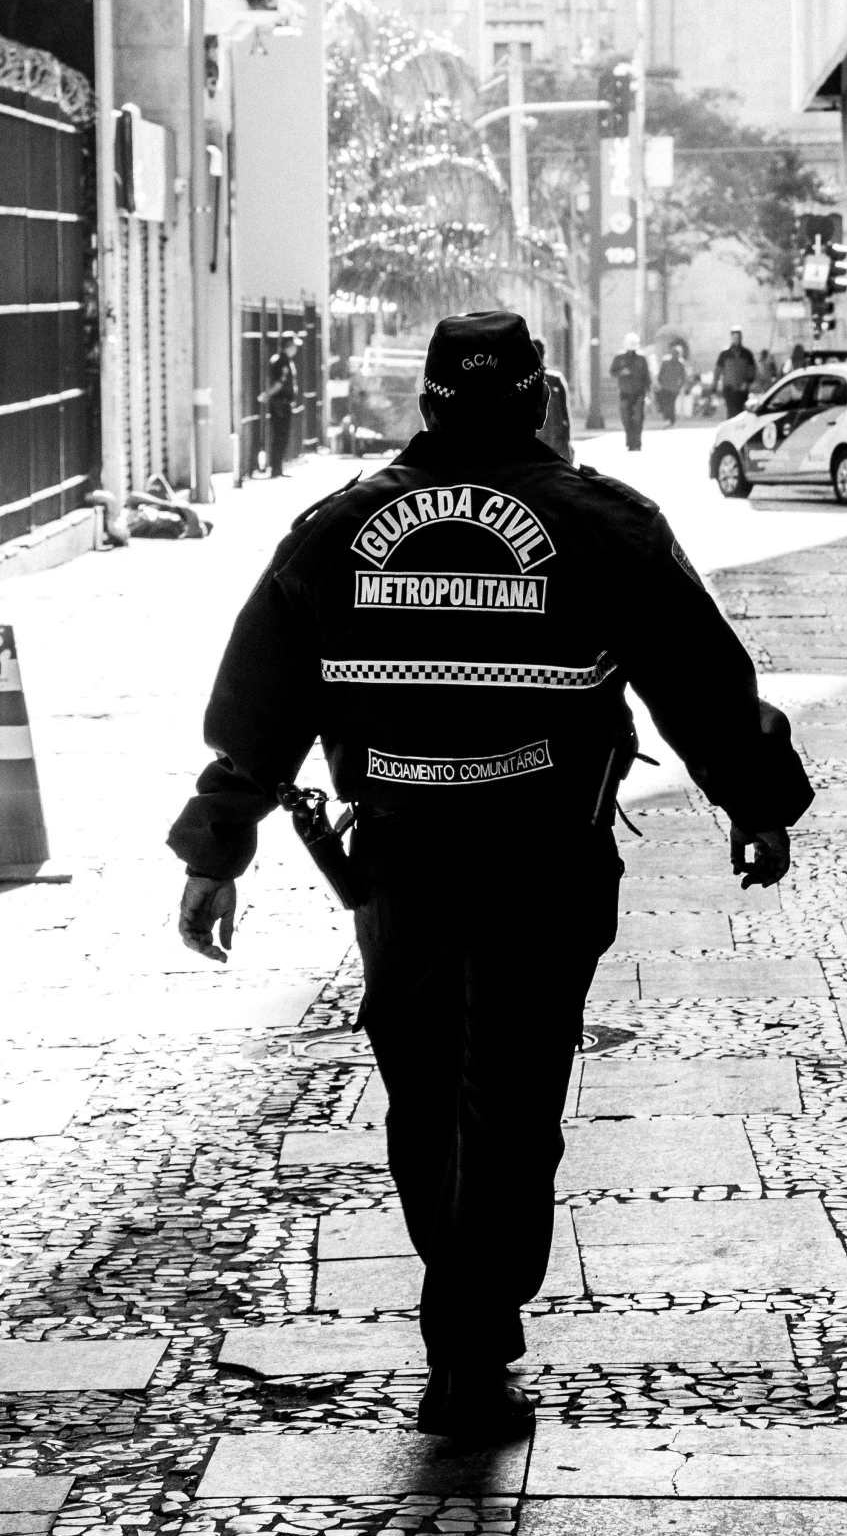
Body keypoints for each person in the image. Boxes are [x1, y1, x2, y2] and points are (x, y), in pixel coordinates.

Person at [167, 310, 813, 1444]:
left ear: (426, 404)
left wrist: (217, 853)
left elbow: (258, 709)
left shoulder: (337, 527)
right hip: (542, 859)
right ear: (539, 396)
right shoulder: (602, 521)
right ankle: (474, 1345)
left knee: (424, 1100)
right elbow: (698, 682)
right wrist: (756, 803)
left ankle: (456, 1333)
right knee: (508, 1102)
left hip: (400, 864)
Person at [533, 335, 572, 463]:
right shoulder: (555, 379)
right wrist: (567, 439)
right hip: (555, 440)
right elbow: (565, 415)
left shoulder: (520, 381)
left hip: (540, 441)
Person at [610, 331, 651, 451]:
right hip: (625, 392)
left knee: (638, 419)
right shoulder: (619, 358)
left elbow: (646, 376)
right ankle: (629, 442)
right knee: (626, 418)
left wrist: (648, 393)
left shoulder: (641, 358)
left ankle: (637, 443)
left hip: (639, 393)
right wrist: (622, 372)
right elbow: (613, 372)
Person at [262, 346, 298, 478]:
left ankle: (277, 467)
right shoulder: (282, 361)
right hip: (280, 404)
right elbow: (280, 382)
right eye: (294, 346)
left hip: (282, 403)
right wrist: (268, 394)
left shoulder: (284, 360)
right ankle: (275, 468)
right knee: (280, 436)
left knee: (281, 436)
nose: (296, 349)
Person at [714, 328, 759, 420]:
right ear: (731, 338)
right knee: (731, 412)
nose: (737, 339)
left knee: (741, 413)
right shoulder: (724, 354)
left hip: (742, 389)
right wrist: (714, 385)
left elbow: (752, 370)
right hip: (729, 388)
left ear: (741, 338)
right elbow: (717, 370)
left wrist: (747, 382)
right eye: (734, 337)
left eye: (738, 337)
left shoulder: (747, 354)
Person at [655, 342, 688, 426]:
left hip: (674, 388)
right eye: (674, 353)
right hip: (665, 386)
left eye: (677, 353)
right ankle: (667, 419)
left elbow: (683, 376)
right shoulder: (665, 361)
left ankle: (670, 420)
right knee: (665, 403)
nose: (675, 355)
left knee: (670, 404)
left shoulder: (681, 363)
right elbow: (661, 372)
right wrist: (659, 382)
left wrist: (681, 386)